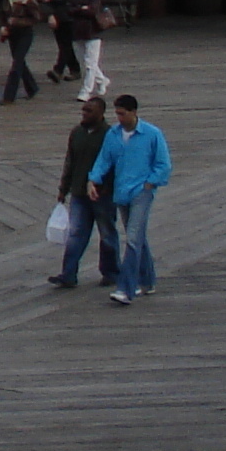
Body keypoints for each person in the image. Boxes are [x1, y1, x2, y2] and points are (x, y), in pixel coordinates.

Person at [89, 93, 171, 306]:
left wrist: (151, 183)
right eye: (117, 114)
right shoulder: (113, 135)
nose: (119, 118)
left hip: (141, 192)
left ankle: (126, 287)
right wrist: (93, 180)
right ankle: (148, 280)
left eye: (123, 114)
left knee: (132, 239)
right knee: (138, 237)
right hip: (121, 192)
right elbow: (104, 160)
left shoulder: (152, 134)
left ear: (134, 112)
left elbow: (163, 164)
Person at [48, 97, 121, 289]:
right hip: (79, 192)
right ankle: (68, 274)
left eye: (89, 111)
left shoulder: (110, 135)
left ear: (101, 113)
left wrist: (109, 187)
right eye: (83, 110)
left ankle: (111, 272)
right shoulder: (77, 133)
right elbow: (70, 161)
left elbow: (116, 165)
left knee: (107, 234)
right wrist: (64, 189)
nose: (84, 114)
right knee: (76, 234)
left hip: (104, 194)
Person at [58, 0, 110, 101]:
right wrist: (81, 9)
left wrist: (79, 9)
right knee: (85, 61)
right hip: (77, 30)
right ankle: (102, 80)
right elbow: (69, 9)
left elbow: (92, 11)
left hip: (93, 31)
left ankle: (86, 91)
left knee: (90, 63)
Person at [0, 0, 42, 104]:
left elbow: (36, 17)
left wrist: (18, 21)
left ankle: (8, 96)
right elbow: (2, 15)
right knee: (20, 62)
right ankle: (32, 88)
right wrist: (3, 26)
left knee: (16, 64)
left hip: (25, 33)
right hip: (12, 34)